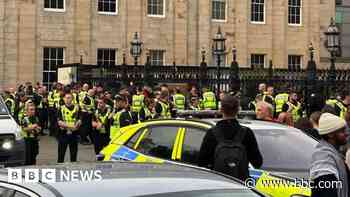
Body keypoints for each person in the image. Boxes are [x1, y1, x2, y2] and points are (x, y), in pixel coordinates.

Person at [198, 95, 263, 181]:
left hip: (218, 183)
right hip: (240, 183)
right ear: (238, 110)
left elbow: (201, 162)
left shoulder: (212, 133)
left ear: (221, 110)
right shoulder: (247, 133)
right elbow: (258, 162)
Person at [310, 113, 349, 197]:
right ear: (330, 134)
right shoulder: (324, 157)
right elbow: (326, 190)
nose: (346, 133)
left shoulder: (335, 153)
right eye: (342, 131)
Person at [57, 93, 81, 163]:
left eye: (69, 98)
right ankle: (59, 170)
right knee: (61, 155)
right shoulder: (61, 108)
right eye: (66, 98)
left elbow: (79, 120)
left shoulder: (77, 108)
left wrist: (76, 126)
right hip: (63, 134)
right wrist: (72, 126)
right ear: (64, 99)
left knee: (73, 155)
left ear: (72, 99)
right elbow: (59, 122)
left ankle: (72, 169)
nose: (67, 99)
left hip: (74, 134)